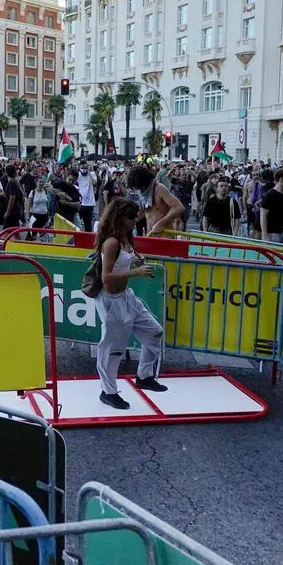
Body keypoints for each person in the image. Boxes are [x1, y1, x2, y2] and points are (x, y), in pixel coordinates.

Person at [92, 198, 168, 410]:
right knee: (112, 349)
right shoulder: (112, 242)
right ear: (121, 217)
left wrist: (135, 261)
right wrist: (135, 271)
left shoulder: (125, 237)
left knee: (154, 332)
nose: (135, 221)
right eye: (132, 217)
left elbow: (122, 262)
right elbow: (107, 277)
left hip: (126, 296)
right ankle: (108, 392)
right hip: (111, 301)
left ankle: (144, 377)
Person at [126, 164, 184, 235]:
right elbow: (147, 212)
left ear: (144, 183)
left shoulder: (159, 189)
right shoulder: (144, 194)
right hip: (151, 236)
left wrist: (160, 223)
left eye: (140, 187)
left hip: (165, 237)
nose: (140, 190)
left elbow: (179, 207)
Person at [259, 168, 283, 243]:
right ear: (281, 179)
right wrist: (264, 235)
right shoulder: (269, 195)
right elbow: (263, 216)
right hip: (272, 234)